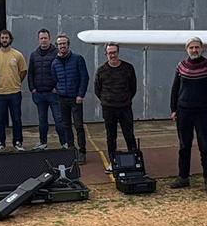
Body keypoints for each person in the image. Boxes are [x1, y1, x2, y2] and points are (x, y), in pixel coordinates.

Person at [169, 37, 207, 195]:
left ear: (202, 48)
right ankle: (183, 177)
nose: (194, 50)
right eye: (191, 47)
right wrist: (173, 109)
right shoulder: (181, 66)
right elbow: (174, 89)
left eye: (197, 47)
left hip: (203, 112)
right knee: (184, 146)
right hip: (183, 112)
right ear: (187, 49)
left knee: (205, 147)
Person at [94, 42, 137, 166]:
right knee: (111, 136)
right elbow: (97, 89)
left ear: (118, 52)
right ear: (106, 54)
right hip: (109, 109)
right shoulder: (101, 70)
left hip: (125, 108)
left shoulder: (128, 68)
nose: (112, 55)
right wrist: (106, 100)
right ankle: (112, 161)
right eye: (110, 53)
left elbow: (133, 87)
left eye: (114, 52)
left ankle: (134, 159)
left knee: (129, 135)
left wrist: (125, 99)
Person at [52, 34, 90, 163]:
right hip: (62, 99)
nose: (62, 46)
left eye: (64, 43)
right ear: (57, 46)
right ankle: (71, 150)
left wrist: (80, 94)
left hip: (75, 99)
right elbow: (54, 79)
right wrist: (59, 89)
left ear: (68, 44)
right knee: (66, 126)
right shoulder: (55, 63)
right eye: (60, 44)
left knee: (79, 126)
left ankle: (82, 151)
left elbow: (84, 77)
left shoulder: (78, 59)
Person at [27, 28, 66, 150]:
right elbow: (30, 73)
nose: (43, 40)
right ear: (38, 40)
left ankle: (64, 143)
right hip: (39, 94)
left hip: (53, 94)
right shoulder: (34, 55)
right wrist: (32, 89)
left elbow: (62, 72)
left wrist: (57, 88)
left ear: (49, 39)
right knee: (42, 121)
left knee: (59, 120)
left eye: (45, 38)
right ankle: (43, 142)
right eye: (41, 38)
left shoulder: (56, 53)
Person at [0, 29, 27, 153]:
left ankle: (18, 142)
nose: (4, 40)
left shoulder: (17, 55)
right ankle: (0, 143)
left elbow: (23, 71)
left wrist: (16, 82)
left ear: (10, 39)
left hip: (15, 92)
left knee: (16, 118)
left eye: (6, 38)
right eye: (2, 38)